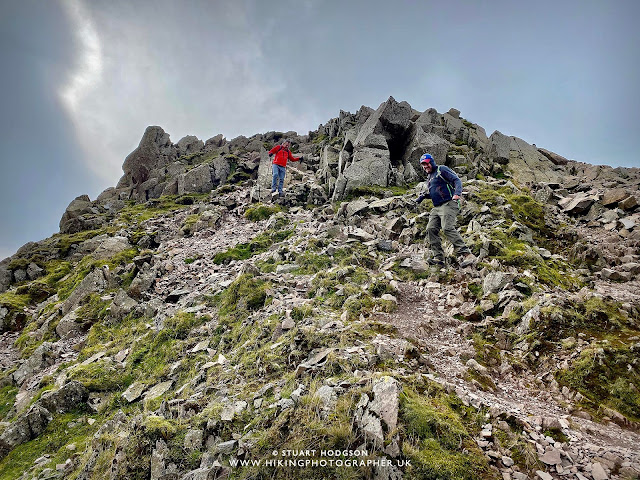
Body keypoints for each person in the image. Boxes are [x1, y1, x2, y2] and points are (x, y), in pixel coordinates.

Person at [416, 153, 476, 268]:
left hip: (448, 203)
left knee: (447, 228)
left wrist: (457, 194)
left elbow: (456, 180)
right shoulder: (429, 178)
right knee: (430, 228)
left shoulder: (441, 170)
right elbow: (436, 191)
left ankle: (467, 254)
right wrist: (424, 197)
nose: (425, 166)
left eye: (426, 163)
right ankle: (438, 258)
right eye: (423, 165)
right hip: (437, 207)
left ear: (431, 162)